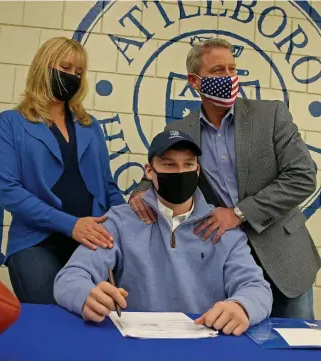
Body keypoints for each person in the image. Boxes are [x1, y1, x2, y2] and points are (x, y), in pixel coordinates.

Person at [129, 38, 320, 319]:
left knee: (291, 349)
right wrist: (141, 191)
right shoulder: (181, 129)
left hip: (284, 259)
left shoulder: (270, 115)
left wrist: (239, 213)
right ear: (195, 81)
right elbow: (166, 166)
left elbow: (303, 177)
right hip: (225, 263)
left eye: (233, 69)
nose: (229, 77)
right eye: (218, 71)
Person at [54, 130, 272, 336]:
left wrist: (242, 306)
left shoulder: (223, 229)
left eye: (188, 164)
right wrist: (86, 296)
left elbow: (255, 287)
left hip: (206, 343)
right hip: (137, 344)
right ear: (149, 171)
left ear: (197, 171)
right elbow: (70, 277)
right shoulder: (120, 221)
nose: (180, 173)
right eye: (169, 165)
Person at [0, 37, 125, 304]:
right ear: (44, 67)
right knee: (50, 316)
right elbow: (8, 191)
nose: (72, 77)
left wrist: (125, 226)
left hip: (92, 241)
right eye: (65, 68)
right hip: (36, 241)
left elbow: (108, 187)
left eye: (79, 72)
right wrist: (71, 225)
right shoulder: (9, 123)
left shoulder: (90, 125)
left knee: (97, 317)